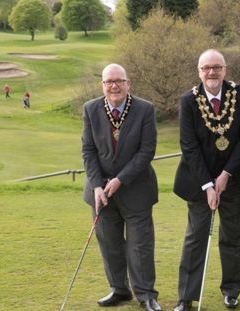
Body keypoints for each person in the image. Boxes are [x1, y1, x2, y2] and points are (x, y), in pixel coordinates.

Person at [173, 49, 240, 311]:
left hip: (234, 179)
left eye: (216, 67)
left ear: (224, 69)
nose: (212, 72)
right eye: (206, 67)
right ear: (199, 71)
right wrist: (208, 184)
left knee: (232, 237)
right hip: (199, 182)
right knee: (196, 238)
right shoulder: (188, 100)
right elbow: (188, 145)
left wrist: (225, 175)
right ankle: (186, 296)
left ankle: (231, 291)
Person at [81, 63, 161, 311]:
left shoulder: (145, 109)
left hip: (136, 189)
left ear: (128, 83)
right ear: (102, 85)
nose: (114, 86)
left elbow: (146, 151)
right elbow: (88, 150)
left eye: (119, 81)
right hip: (101, 193)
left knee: (140, 246)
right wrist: (96, 185)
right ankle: (119, 289)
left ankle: (146, 294)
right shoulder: (91, 109)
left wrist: (120, 179)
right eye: (108, 82)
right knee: (110, 244)